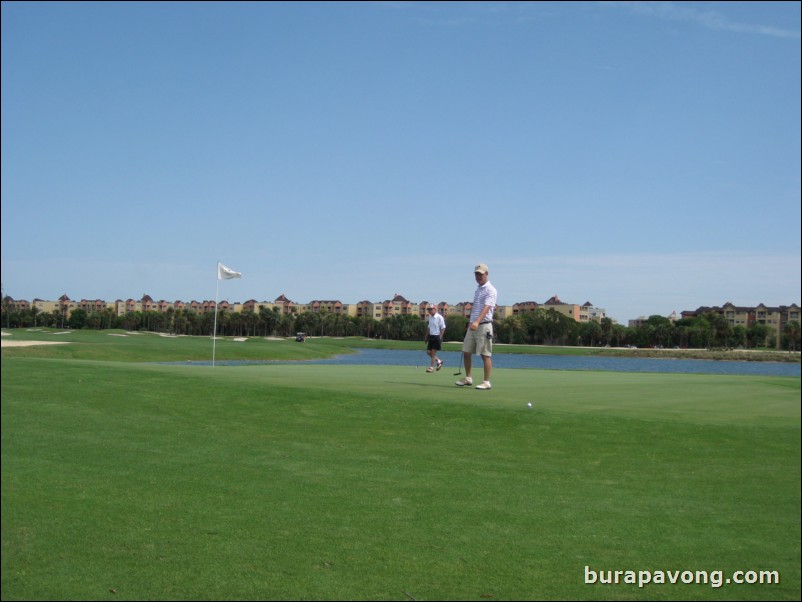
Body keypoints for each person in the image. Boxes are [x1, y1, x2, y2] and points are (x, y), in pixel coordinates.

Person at [455, 263, 497, 390]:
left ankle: (486, 382)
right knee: (466, 352)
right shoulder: (478, 289)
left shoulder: (491, 290)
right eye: (476, 274)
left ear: (486, 274)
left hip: (484, 325)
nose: (478, 276)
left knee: (485, 354)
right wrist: (471, 322)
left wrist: (477, 321)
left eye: (480, 274)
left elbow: (487, 307)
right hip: (473, 325)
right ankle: (468, 378)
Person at [425, 304, 446, 372]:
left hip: (437, 336)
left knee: (433, 353)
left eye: (431, 309)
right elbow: (429, 327)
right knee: (428, 352)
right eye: (429, 310)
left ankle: (431, 368)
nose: (429, 311)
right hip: (431, 336)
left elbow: (443, 328)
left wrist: (440, 337)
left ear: (435, 309)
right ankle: (439, 361)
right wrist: (426, 336)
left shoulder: (439, 317)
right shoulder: (430, 317)